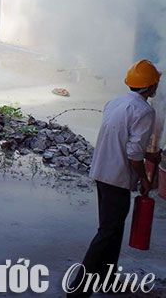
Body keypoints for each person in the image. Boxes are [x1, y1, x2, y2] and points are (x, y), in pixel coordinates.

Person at [67, 60, 164, 297]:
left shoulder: (116, 102)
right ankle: (77, 290)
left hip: (102, 169)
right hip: (117, 176)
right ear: (151, 86)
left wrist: (149, 153)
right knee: (108, 232)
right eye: (156, 83)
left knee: (113, 229)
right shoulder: (144, 111)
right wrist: (144, 179)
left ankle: (106, 279)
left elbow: (122, 137)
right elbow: (132, 154)